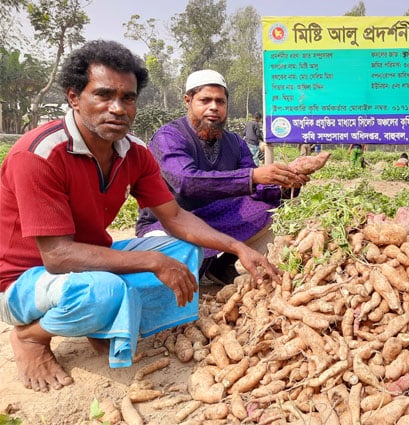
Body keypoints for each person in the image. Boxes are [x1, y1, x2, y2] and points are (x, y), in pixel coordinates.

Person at [0, 41, 281, 393]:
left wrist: (237, 247)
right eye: (103, 95)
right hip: (24, 278)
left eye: (128, 98)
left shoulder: (134, 151)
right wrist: (151, 260)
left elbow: (175, 216)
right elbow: (57, 257)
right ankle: (31, 337)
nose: (117, 109)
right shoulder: (40, 154)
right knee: (104, 291)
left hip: (88, 263)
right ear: (74, 97)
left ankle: (102, 326)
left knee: (185, 250)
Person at [136, 70, 308, 285]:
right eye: (205, 100)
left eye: (220, 101)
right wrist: (253, 175)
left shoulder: (235, 142)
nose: (214, 107)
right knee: (177, 275)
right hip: (169, 223)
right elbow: (186, 182)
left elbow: (257, 187)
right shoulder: (169, 137)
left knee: (272, 209)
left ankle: (220, 266)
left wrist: (286, 182)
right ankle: (202, 266)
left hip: (217, 216)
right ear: (188, 101)